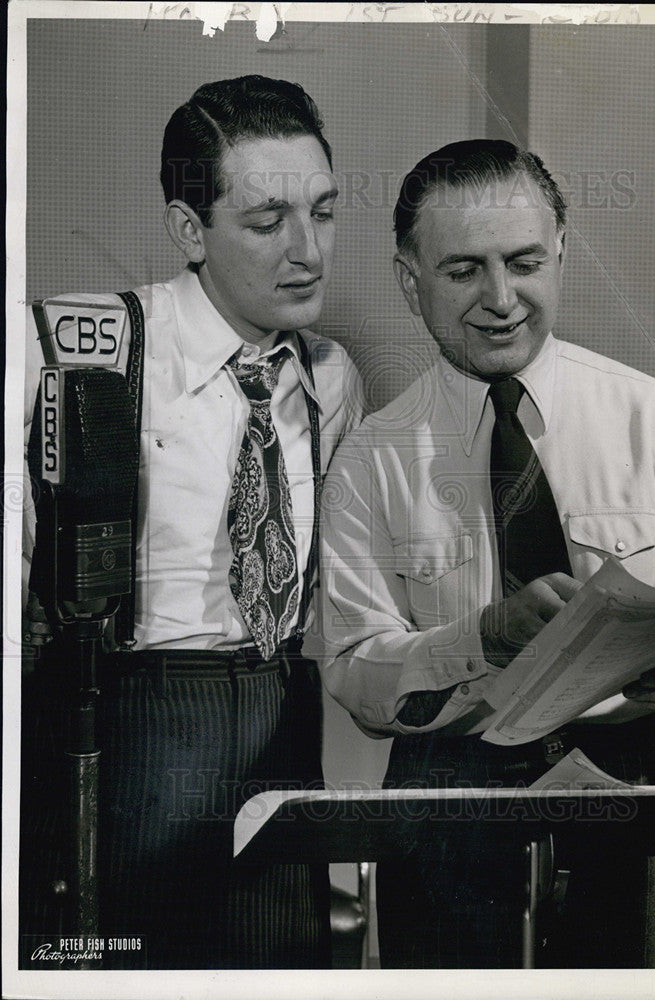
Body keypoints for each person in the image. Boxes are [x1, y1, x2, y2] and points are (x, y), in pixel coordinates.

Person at [316, 139, 655, 969]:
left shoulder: (648, 414)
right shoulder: (369, 460)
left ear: (562, 250)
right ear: (410, 282)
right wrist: (479, 638)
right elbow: (356, 675)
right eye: (462, 272)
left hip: (643, 815)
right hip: (450, 825)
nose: (501, 299)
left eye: (523, 262)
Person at [21, 75, 361, 969]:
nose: (307, 251)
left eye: (323, 213)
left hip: (283, 723)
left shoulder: (332, 378)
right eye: (265, 222)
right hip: (123, 737)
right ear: (188, 229)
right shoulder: (72, 347)